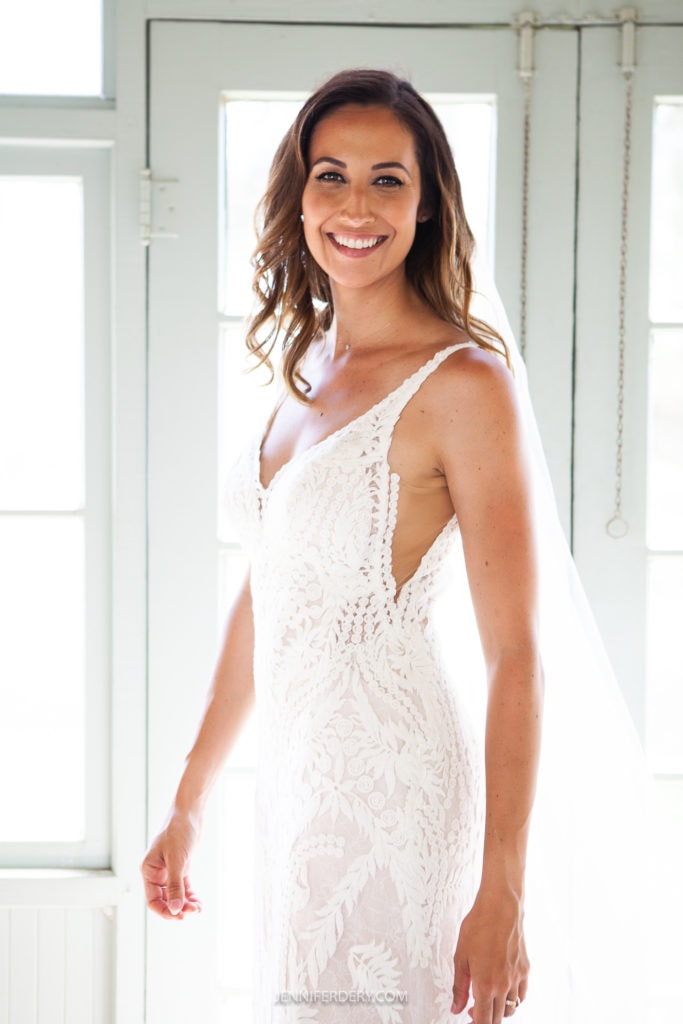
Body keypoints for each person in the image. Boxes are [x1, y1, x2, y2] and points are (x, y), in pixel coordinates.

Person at [142, 69, 641, 1024]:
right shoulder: (303, 371)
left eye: (387, 180)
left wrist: (502, 890)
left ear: (426, 204)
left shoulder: (465, 385)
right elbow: (270, 593)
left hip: (396, 795)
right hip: (292, 792)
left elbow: (518, 657)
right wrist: (189, 798)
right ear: (298, 194)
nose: (355, 206)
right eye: (330, 175)